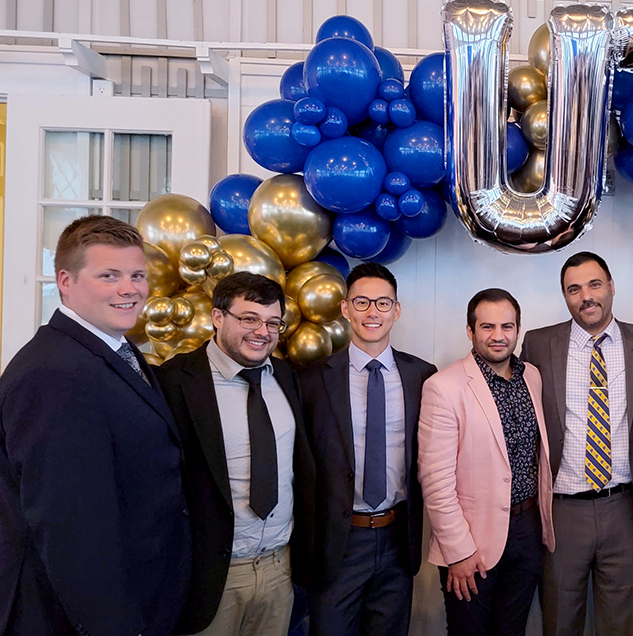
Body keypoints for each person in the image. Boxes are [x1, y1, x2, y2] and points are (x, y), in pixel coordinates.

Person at [0, 215, 190, 635]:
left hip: (143, 596)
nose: (130, 289)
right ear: (65, 281)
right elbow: (69, 525)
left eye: (137, 275)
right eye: (109, 276)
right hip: (78, 617)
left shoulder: (116, 348)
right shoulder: (53, 372)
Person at [157, 272, 316, 635]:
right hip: (211, 576)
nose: (263, 332)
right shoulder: (175, 382)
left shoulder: (287, 377)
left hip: (279, 569)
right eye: (249, 319)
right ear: (217, 317)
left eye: (273, 322)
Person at [519, 251, 633, 636]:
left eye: (594, 284)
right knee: (559, 620)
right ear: (565, 296)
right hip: (563, 509)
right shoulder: (537, 345)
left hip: (623, 508)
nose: (585, 296)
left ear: (611, 286)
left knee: (622, 623)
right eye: (574, 289)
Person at [299, 262, 437, 636]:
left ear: (396, 310)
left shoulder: (423, 376)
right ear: (345, 309)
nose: (372, 312)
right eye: (361, 302)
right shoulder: (311, 379)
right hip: (337, 543)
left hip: (397, 537)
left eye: (382, 303)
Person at [418, 288, 556, 635]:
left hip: (527, 531)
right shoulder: (444, 387)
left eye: (507, 327)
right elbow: (435, 482)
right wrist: (458, 551)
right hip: (471, 540)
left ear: (518, 329)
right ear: (470, 331)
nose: (498, 336)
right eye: (487, 327)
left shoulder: (532, 377)